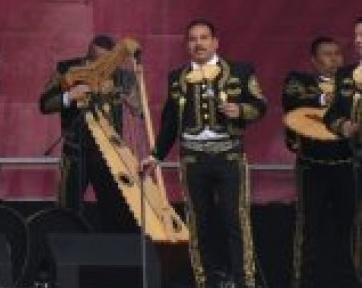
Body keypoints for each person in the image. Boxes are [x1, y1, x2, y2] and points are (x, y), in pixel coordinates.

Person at [141, 19, 267, 288]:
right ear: (187, 45)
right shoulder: (177, 77)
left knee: (235, 221)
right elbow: (170, 123)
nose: (198, 43)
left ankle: (244, 281)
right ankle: (205, 281)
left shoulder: (240, 71)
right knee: (199, 223)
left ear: (215, 42)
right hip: (193, 159)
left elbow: (260, 105)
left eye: (204, 38)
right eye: (193, 39)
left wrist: (240, 110)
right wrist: (155, 156)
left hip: (229, 156)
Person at [39, 34, 137, 231]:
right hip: (75, 151)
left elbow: (140, 110)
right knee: (68, 210)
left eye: (106, 61)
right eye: (94, 60)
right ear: (88, 54)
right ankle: (67, 246)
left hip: (110, 155)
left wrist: (131, 100)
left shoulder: (124, 76)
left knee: (114, 210)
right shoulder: (66, 70)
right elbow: (45, 104)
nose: (99, 65)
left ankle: (113, 247)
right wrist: (69, 96)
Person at [283, 36, 356, 288]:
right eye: (327, 54)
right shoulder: (299, 82)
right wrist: (329, 100)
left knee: (350, 226)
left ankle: (348, 279)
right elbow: (293, 100)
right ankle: (303, 280)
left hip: (346, 165)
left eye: (337, 53)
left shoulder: (353, 83)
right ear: (314, 60)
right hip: (311, 166)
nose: (334, 59)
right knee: (309, 227)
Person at [322, 16, 362, 283]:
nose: (358, 41)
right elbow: (331, 115)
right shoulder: (346, 74)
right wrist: (343, 126)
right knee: (357, 226)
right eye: (356, 36)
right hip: (356, 160)